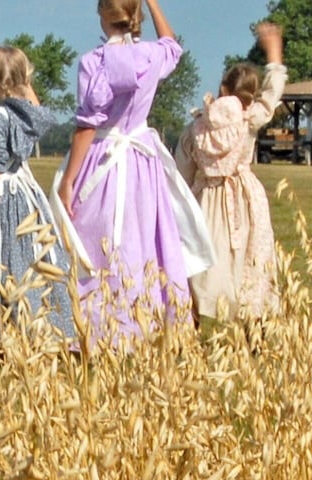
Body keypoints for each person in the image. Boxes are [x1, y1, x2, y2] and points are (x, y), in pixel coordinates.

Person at [54, 0, 214, 350]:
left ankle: (95, 328)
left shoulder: (93, 62)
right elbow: (172, 44)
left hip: (103, 158)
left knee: (91, 241)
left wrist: (68, 180)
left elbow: (87, 126)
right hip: (142, 164)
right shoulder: (151, 56)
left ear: (102, 14)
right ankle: (146, 324)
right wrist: (152, 3)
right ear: (135, 15)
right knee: (143, 242)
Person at [0, 46, 83, 356]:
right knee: (32, 261)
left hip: (0, 196)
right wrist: (24, 84)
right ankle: (44, 332)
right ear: (26, 78)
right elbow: (38, 109)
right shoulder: (27, 115)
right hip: (27, 194)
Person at [182, 23, 287, 326]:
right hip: (244, 197)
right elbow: (272, 95)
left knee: (202, 263)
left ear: (223, 89)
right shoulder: (249, 118)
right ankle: (253, 327)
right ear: (250, 97)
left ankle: (194, 321)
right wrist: (274, 54)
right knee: (249, 259)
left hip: (206, 200)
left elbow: (181, 171)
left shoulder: (196, 127)